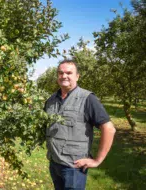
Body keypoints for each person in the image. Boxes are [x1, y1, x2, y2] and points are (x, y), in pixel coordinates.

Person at [44, 59, 116, 190]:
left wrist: (97, 161)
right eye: (60, 73)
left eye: (69, 73)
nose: (64, 76)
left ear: (77, 76)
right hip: (54, 164)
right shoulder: (51, 100)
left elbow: (109, 129)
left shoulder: (88, 98)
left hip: (74, 167)